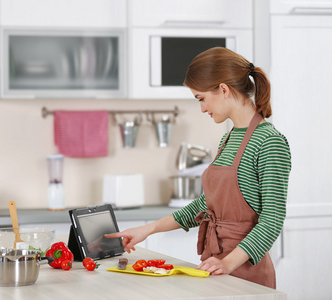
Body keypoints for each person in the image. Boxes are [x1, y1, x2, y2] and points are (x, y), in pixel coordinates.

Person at [106, 47, 291, 288]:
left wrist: (228, 263)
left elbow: (272, 220)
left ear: (223, 89)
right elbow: (206, 205)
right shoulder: (230, 138)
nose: (202, 108)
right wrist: (148, 229)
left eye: (201, 98)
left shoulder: (269, 141)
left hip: (245, 273)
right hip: (214, 267)